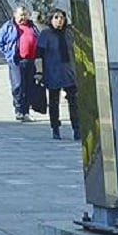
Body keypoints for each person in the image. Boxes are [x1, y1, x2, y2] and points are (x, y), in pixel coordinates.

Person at [37, 8, 80, 140]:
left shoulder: (69, 33)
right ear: (50, 19)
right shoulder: (46, 34)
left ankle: (77, 128)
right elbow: (39, 55)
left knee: (74, 101)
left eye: (61, 17)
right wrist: (39, 72)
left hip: (69, 72)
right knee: (54, 101)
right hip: (53, 72)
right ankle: (55, 127)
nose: (59, 20)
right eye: (56, 17)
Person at [0, 4, 40, 121]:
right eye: (21, 15)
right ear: (15, 15)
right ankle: (19, 110)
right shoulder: (9, 26)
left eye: (25, 15)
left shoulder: (32, 26)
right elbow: (0, 42)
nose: (23, 17)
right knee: (18, 85)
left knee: (29, 86)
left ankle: (26, 112)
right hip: (16, 60)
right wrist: (8, 53)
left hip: (30, 60)